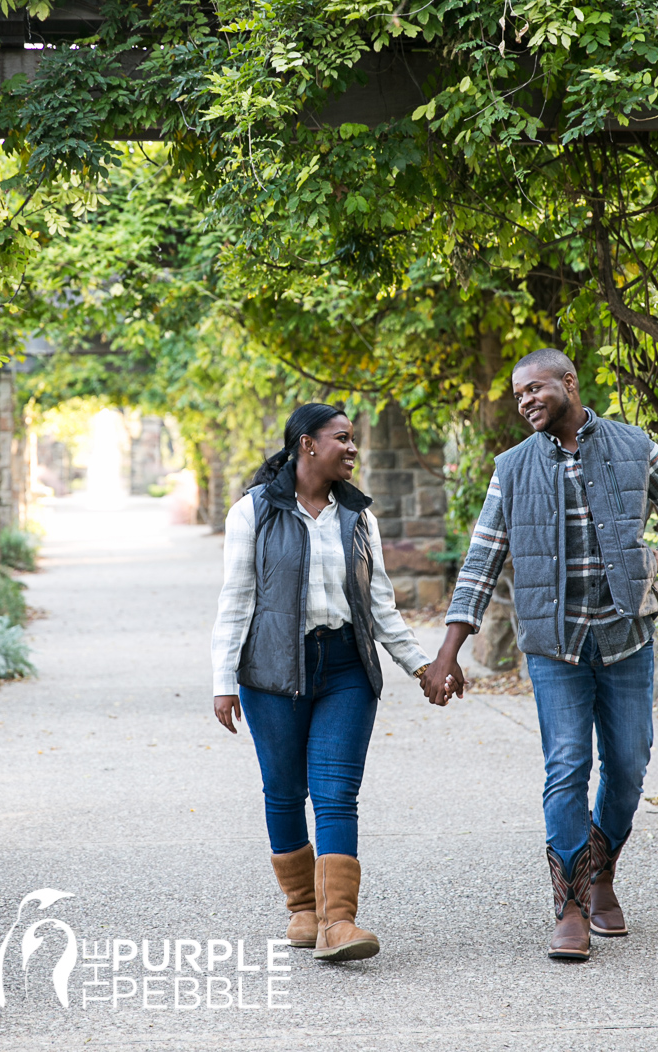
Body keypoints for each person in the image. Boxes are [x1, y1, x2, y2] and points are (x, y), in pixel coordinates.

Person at [420, 349, 658, 962]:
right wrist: (447, 653)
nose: (525, 400)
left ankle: (601, 874)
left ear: (569, 384)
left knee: (629, 763)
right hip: (556, 645)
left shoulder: (634, 445)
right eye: (518, 393)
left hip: (626, 636)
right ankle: (570, 903)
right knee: (568, 764)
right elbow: (483, 558)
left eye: (534, 388)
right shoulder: (512, 467)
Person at [211, 402, 432, 962]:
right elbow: (235, 602)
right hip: (273, 672)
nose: (352, 448)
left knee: (337, 796)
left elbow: (380, 606)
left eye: (353, 438)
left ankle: (340, 923)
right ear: (307, 444)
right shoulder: (253, 512)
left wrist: (419, 665)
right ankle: (303, 911)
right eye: (342, 438)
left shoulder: (359, 517)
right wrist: (223, 681)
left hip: (345, 669)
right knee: (284, 791)